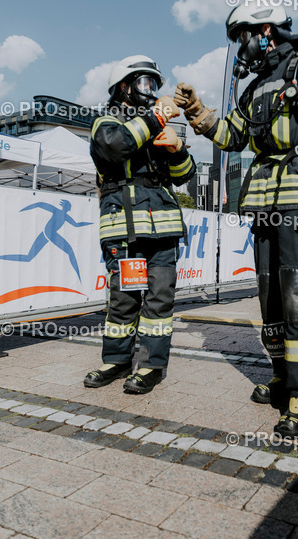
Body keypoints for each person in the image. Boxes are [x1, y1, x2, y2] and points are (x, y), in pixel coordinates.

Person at [174, 5, 298, 438]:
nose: (239, 48)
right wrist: (198, 112)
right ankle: (283, 378)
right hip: (263, 208)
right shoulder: (254, 88)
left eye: (241, 38)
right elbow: (233, 136)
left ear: (264, 31)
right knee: (270, 298)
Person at [83, 55, 196, 395]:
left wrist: (177, 151)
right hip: (125, 229)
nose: (151, 91)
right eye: (144, 83)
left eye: (154, 85)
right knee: (125, 297)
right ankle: (117, 361)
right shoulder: (106, 122)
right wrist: (156, 117)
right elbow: (116, 148)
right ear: (123, 87)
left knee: (159, 301)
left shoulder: (156, 125)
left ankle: (151, 366)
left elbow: (184, 176)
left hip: (161, 230)